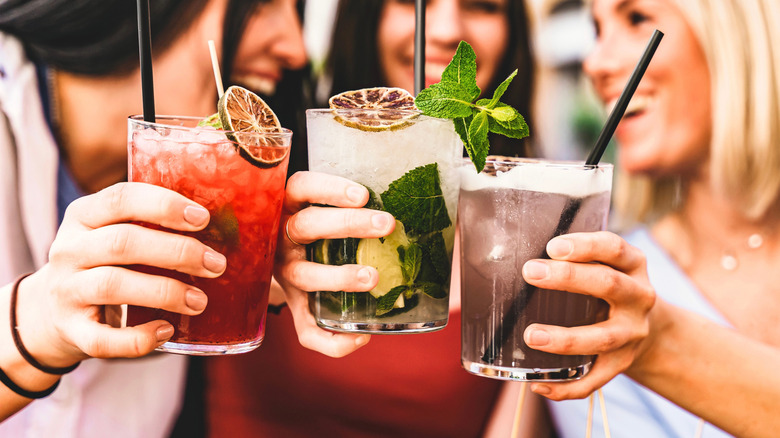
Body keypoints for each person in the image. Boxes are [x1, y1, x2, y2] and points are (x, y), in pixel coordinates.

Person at [202, 0, 652, 436]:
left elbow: (517, 418)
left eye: (482, 5)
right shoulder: (265, 166)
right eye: (412, 2)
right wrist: (258, 256)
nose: (445, 30)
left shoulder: (531, 215)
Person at [0, 0, 308, 434]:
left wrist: (262, 269)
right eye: (263, 3)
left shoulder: (189, 180)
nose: (298, 49)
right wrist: (36, 325)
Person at [521, 0, 780, 437]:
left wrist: (657, 343)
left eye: (637, 18)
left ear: (735, 31)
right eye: (597, 30)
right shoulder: (607, 294)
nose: (595, 61)